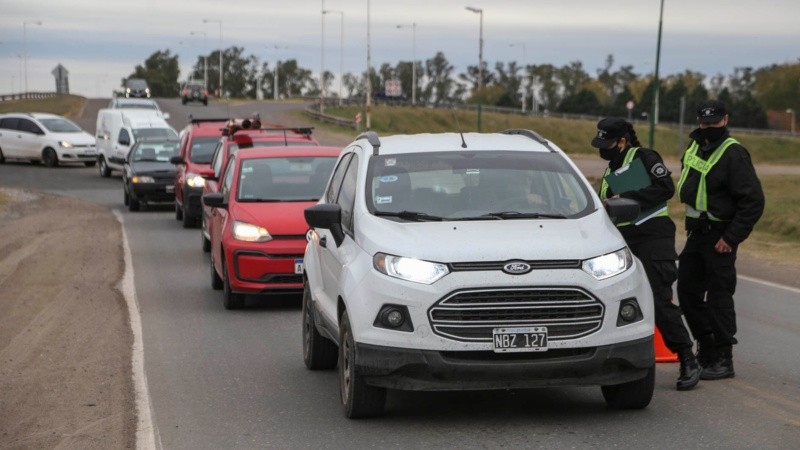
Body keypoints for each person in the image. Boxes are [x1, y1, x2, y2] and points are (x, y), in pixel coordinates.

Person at [591, 117, 700, 391]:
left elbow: (666, 188)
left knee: (658, 298)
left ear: (623, 141)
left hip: (653, 234)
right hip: (624, 240)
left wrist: (629, 197)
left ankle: (687, 358)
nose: (603, 149)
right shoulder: (609, 172)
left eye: (607, 144)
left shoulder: (643, 157)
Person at [676, 100, 764, 380]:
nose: (708, 128)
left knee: (719, 297)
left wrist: (731, 237)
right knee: (688, 292)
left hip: (720, 236)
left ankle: (724, 359)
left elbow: (753, 201)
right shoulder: (694, 146)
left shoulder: (733, 153)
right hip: (696, 233)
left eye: (714, 123)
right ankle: (707, 345)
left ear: (725, 120)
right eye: (704, 123)